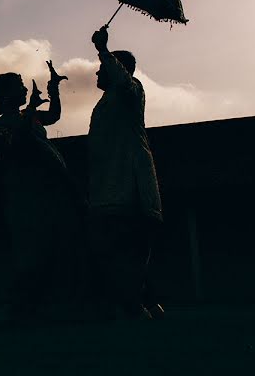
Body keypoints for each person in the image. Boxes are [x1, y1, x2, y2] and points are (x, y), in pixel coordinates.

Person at [0, 61, 82, 319]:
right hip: (21, 194)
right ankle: (23, 306)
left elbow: (54, 116)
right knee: (30, 250)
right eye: (19, 87)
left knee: (51, 246)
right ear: (7, 95)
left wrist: (54, 88)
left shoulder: (29, 117)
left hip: (45, 190)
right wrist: (29, 112)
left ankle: (44, 303)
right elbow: (15, 148)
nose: (24, 90)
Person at [87, 25, 163, 319]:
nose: (97, 73)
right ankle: (138, 301)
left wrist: (103, 49)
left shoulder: (131, 89)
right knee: (116, 248)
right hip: (108, 185)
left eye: (101, 68)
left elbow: (120, 77)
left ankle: (137, 303)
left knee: (130, 246)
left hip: (129, 184)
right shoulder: (106, 101)